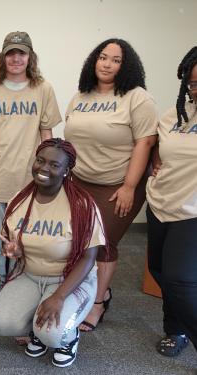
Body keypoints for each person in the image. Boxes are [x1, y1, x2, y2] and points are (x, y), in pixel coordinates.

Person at [64, 38, 157, 331]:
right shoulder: (81, 96)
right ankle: (76, 291)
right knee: (77, 242)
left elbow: (146, 141)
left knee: (104, 244)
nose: (107, 64)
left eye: (115, 60)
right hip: (79, 181)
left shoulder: (137, 97)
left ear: (125, 65)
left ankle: (98, 302)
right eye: (103, 57)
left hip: (117, 183)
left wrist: (130, 186)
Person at [0, 138, 105, 368]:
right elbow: (14, 246)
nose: (44, 168)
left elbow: (88, 257)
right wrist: (15, 250)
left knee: (53, 334)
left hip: (69, 279)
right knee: (1, 323)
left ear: (66, 171)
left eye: (54, 164)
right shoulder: (19, 201)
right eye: (40, 161)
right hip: (30, 275)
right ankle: (38, 331)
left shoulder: (82, 205)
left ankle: (67, 339)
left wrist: (59, 297)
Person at [0, 31, 61, 310]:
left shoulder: (42, 88)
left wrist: (50, 176)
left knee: (28, 232)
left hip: (29, 177)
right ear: (3, 57)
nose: (16, 58)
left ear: (30, 57)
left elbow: (47, 134)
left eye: (21, 53)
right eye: (11, 53)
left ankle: (23, 281)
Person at [146, 46, 197, 356]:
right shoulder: (173, 114)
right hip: (160, 204)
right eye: (192, 83)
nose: (196, 89)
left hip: (192, 211)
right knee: (158, 270)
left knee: (179, 279)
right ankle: (175, 329)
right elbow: (159, 149)